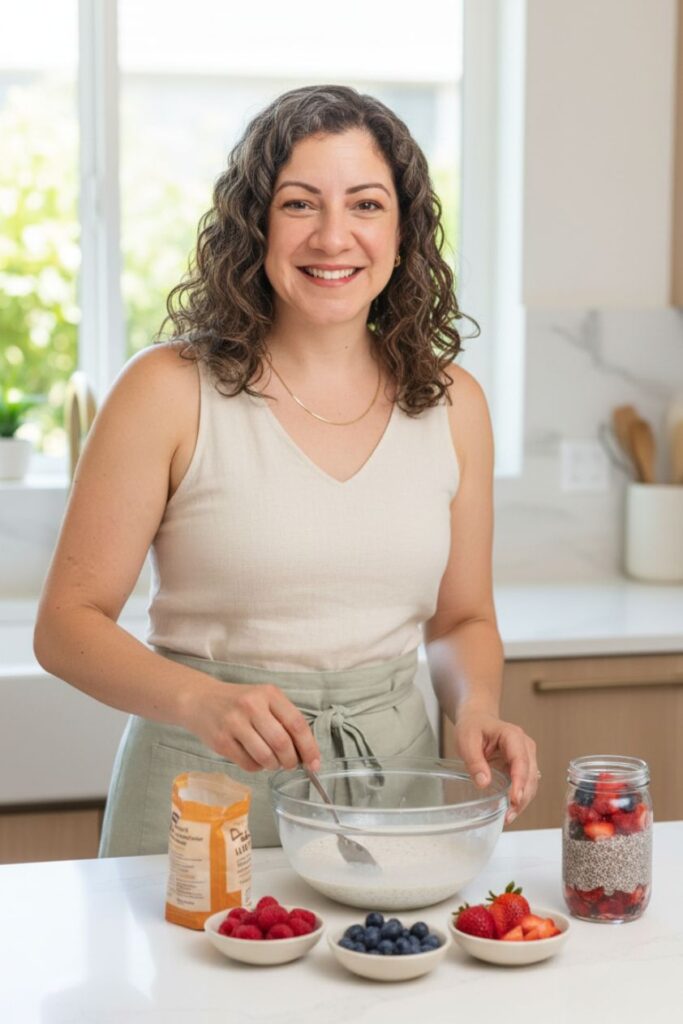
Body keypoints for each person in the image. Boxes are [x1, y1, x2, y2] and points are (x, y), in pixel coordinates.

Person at [34, 84, 539, 855]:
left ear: (403, 232)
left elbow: (462, 618)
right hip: (203, 794)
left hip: (390, 795)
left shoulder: (451, 403)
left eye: (366, 205)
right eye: (300, 204)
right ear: (254, 227)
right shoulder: (167, 389)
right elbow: (66, 627)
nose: (333, 237)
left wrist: (474, 708)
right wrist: (200, 701)